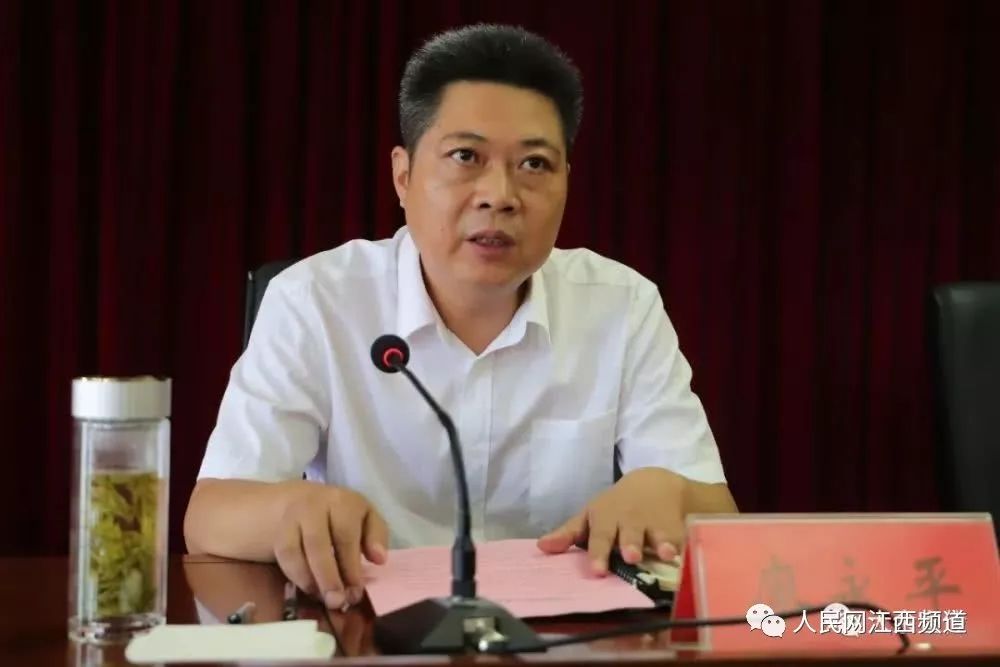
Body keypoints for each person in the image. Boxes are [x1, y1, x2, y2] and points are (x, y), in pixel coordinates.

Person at [184, 23, 737, 611]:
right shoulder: (315, 301)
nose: (500, 195)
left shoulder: (622, 305)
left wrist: (668, 490)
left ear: (567, 184)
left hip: (570, 639)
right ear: (403, 176)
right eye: (465, 157)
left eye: (535, 164)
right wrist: (287, 511)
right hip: (371, 634)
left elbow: (722, 521)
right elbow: (210, 517)